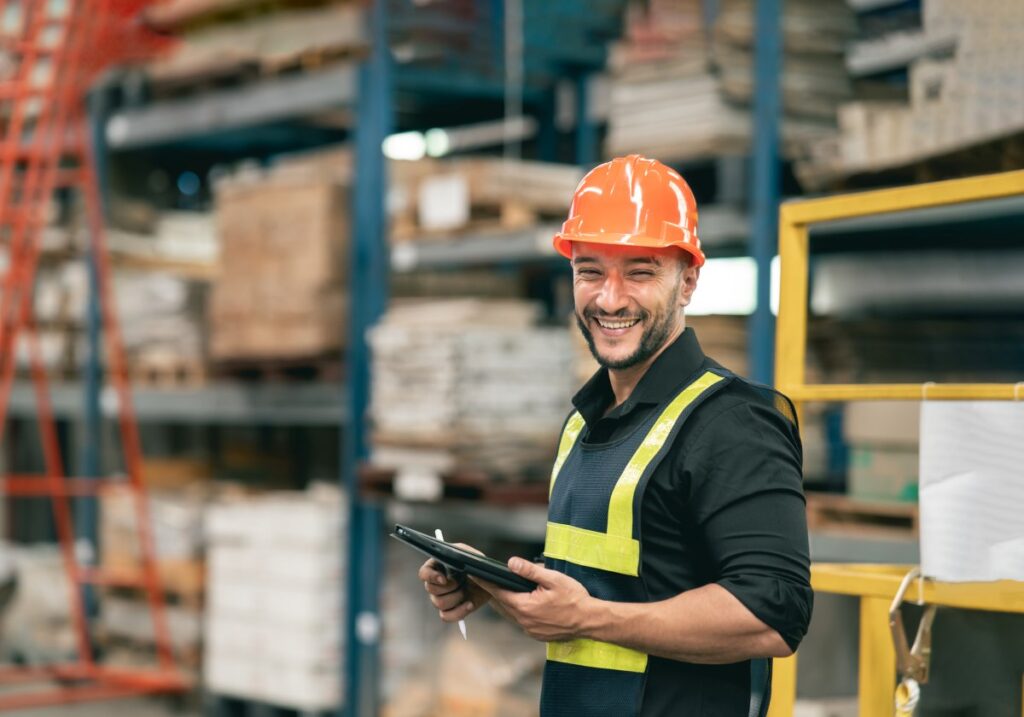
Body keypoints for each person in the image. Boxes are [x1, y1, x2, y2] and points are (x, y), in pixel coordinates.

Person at [419, 154, 812, 716]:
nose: (610, 298)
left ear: (689, 282)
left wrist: (589, 618)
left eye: (640, 271)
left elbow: (775, 613)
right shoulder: (585, 420)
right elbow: (606, 579)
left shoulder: (733, 422)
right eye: (591, 271)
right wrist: (494, 585)